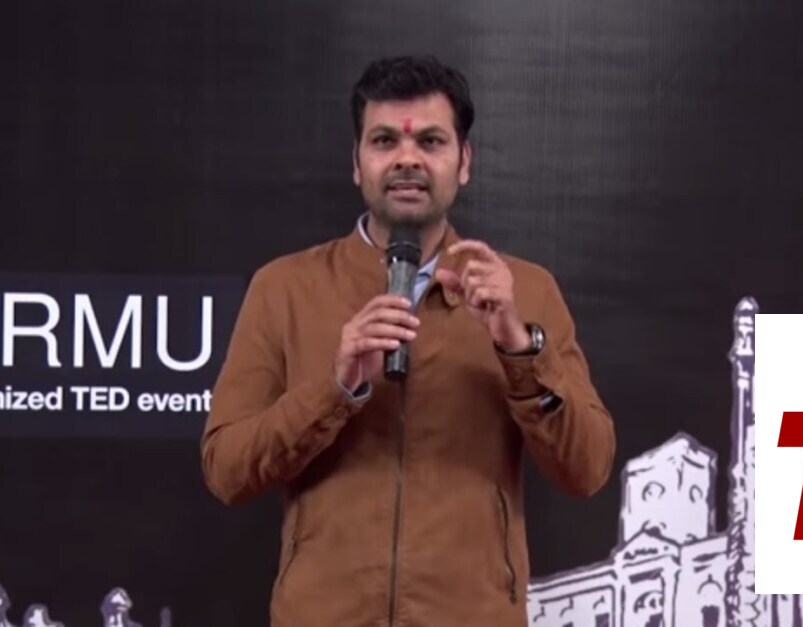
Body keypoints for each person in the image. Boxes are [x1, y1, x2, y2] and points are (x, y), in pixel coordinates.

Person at [200, 55, 616, 627]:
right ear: (356, 163)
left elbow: (587, 469)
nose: (407, 159)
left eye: (430, 141)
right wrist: (336, 389)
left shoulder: (524, 291)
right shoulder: (285, 288)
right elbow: (226, 470)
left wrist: (518, 347)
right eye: (384, 140)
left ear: (464, 162)